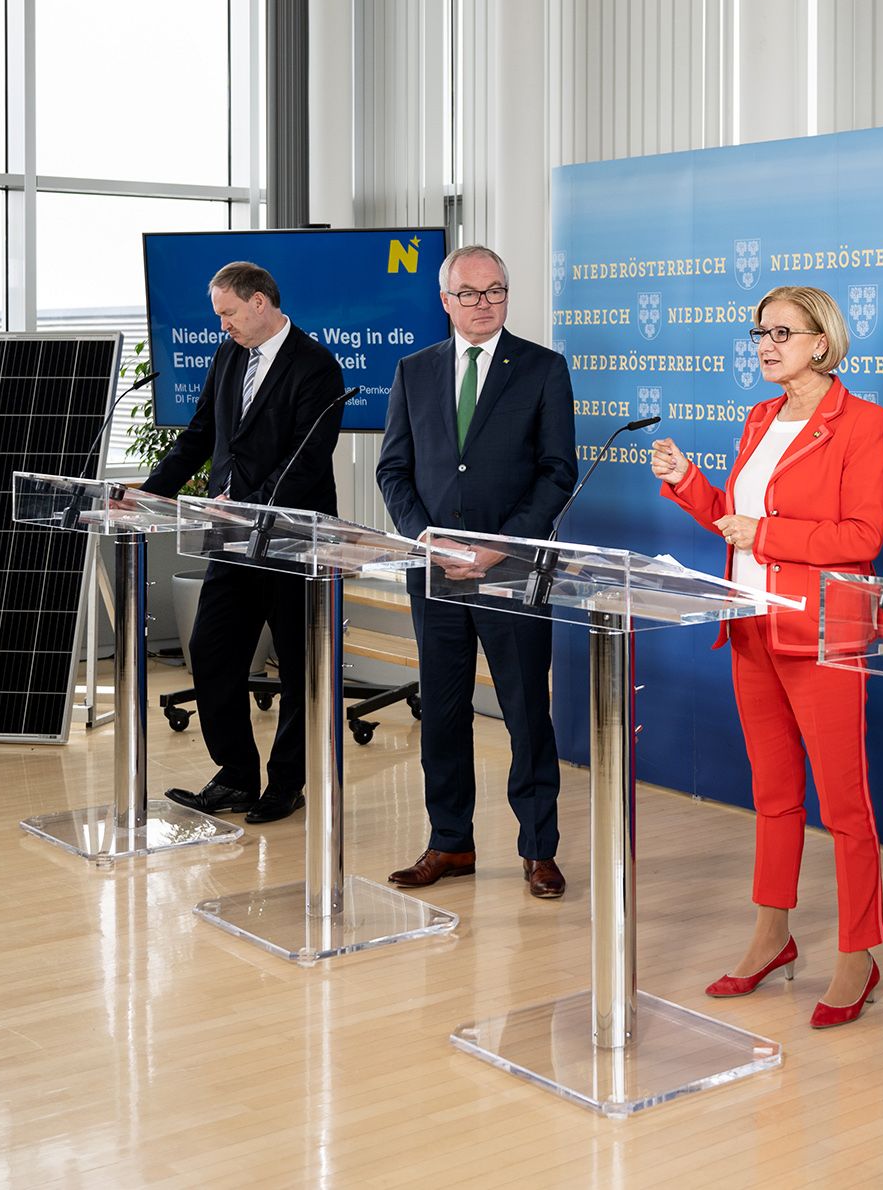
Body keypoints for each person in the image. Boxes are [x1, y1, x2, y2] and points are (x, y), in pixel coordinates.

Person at [649, 284, 883, 1029]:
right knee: (774, 793)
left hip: (822, 632)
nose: (766, 346)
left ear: (822, 342)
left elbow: (863, 537)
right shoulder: (760, 416)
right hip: (751, 626)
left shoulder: (863, 421)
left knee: (844, 803)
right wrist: (688, 484)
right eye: (760, 333)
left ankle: (858, 952)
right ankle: (771, 935)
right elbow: (736, 520)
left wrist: (769, 536)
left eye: (782, 333)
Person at [376, 245, 577, 899]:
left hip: (510, 569)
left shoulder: (543, 369)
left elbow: (557, 472)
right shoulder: (414, 370)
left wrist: (503, 543)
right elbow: (394, 469)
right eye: (469, 292)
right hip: (434, 571)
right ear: (446, 300)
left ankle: (539, 850)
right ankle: (450, 843)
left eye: (495, 291)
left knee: (526, 713)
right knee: (442, 713)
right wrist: (425, 538)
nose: (483, 303)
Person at [145, 260, 349, 825]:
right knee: (211, 651)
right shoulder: (230, 354)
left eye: (228, 313)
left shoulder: (317, 366)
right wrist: (149, 493)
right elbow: (201, 435)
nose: (223, 325)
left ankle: (286, 784)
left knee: (299, 668)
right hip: (230, 538)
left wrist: (249, 506)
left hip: (292, 541)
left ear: (259, 302)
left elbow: (306, 460)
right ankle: (236, 775)